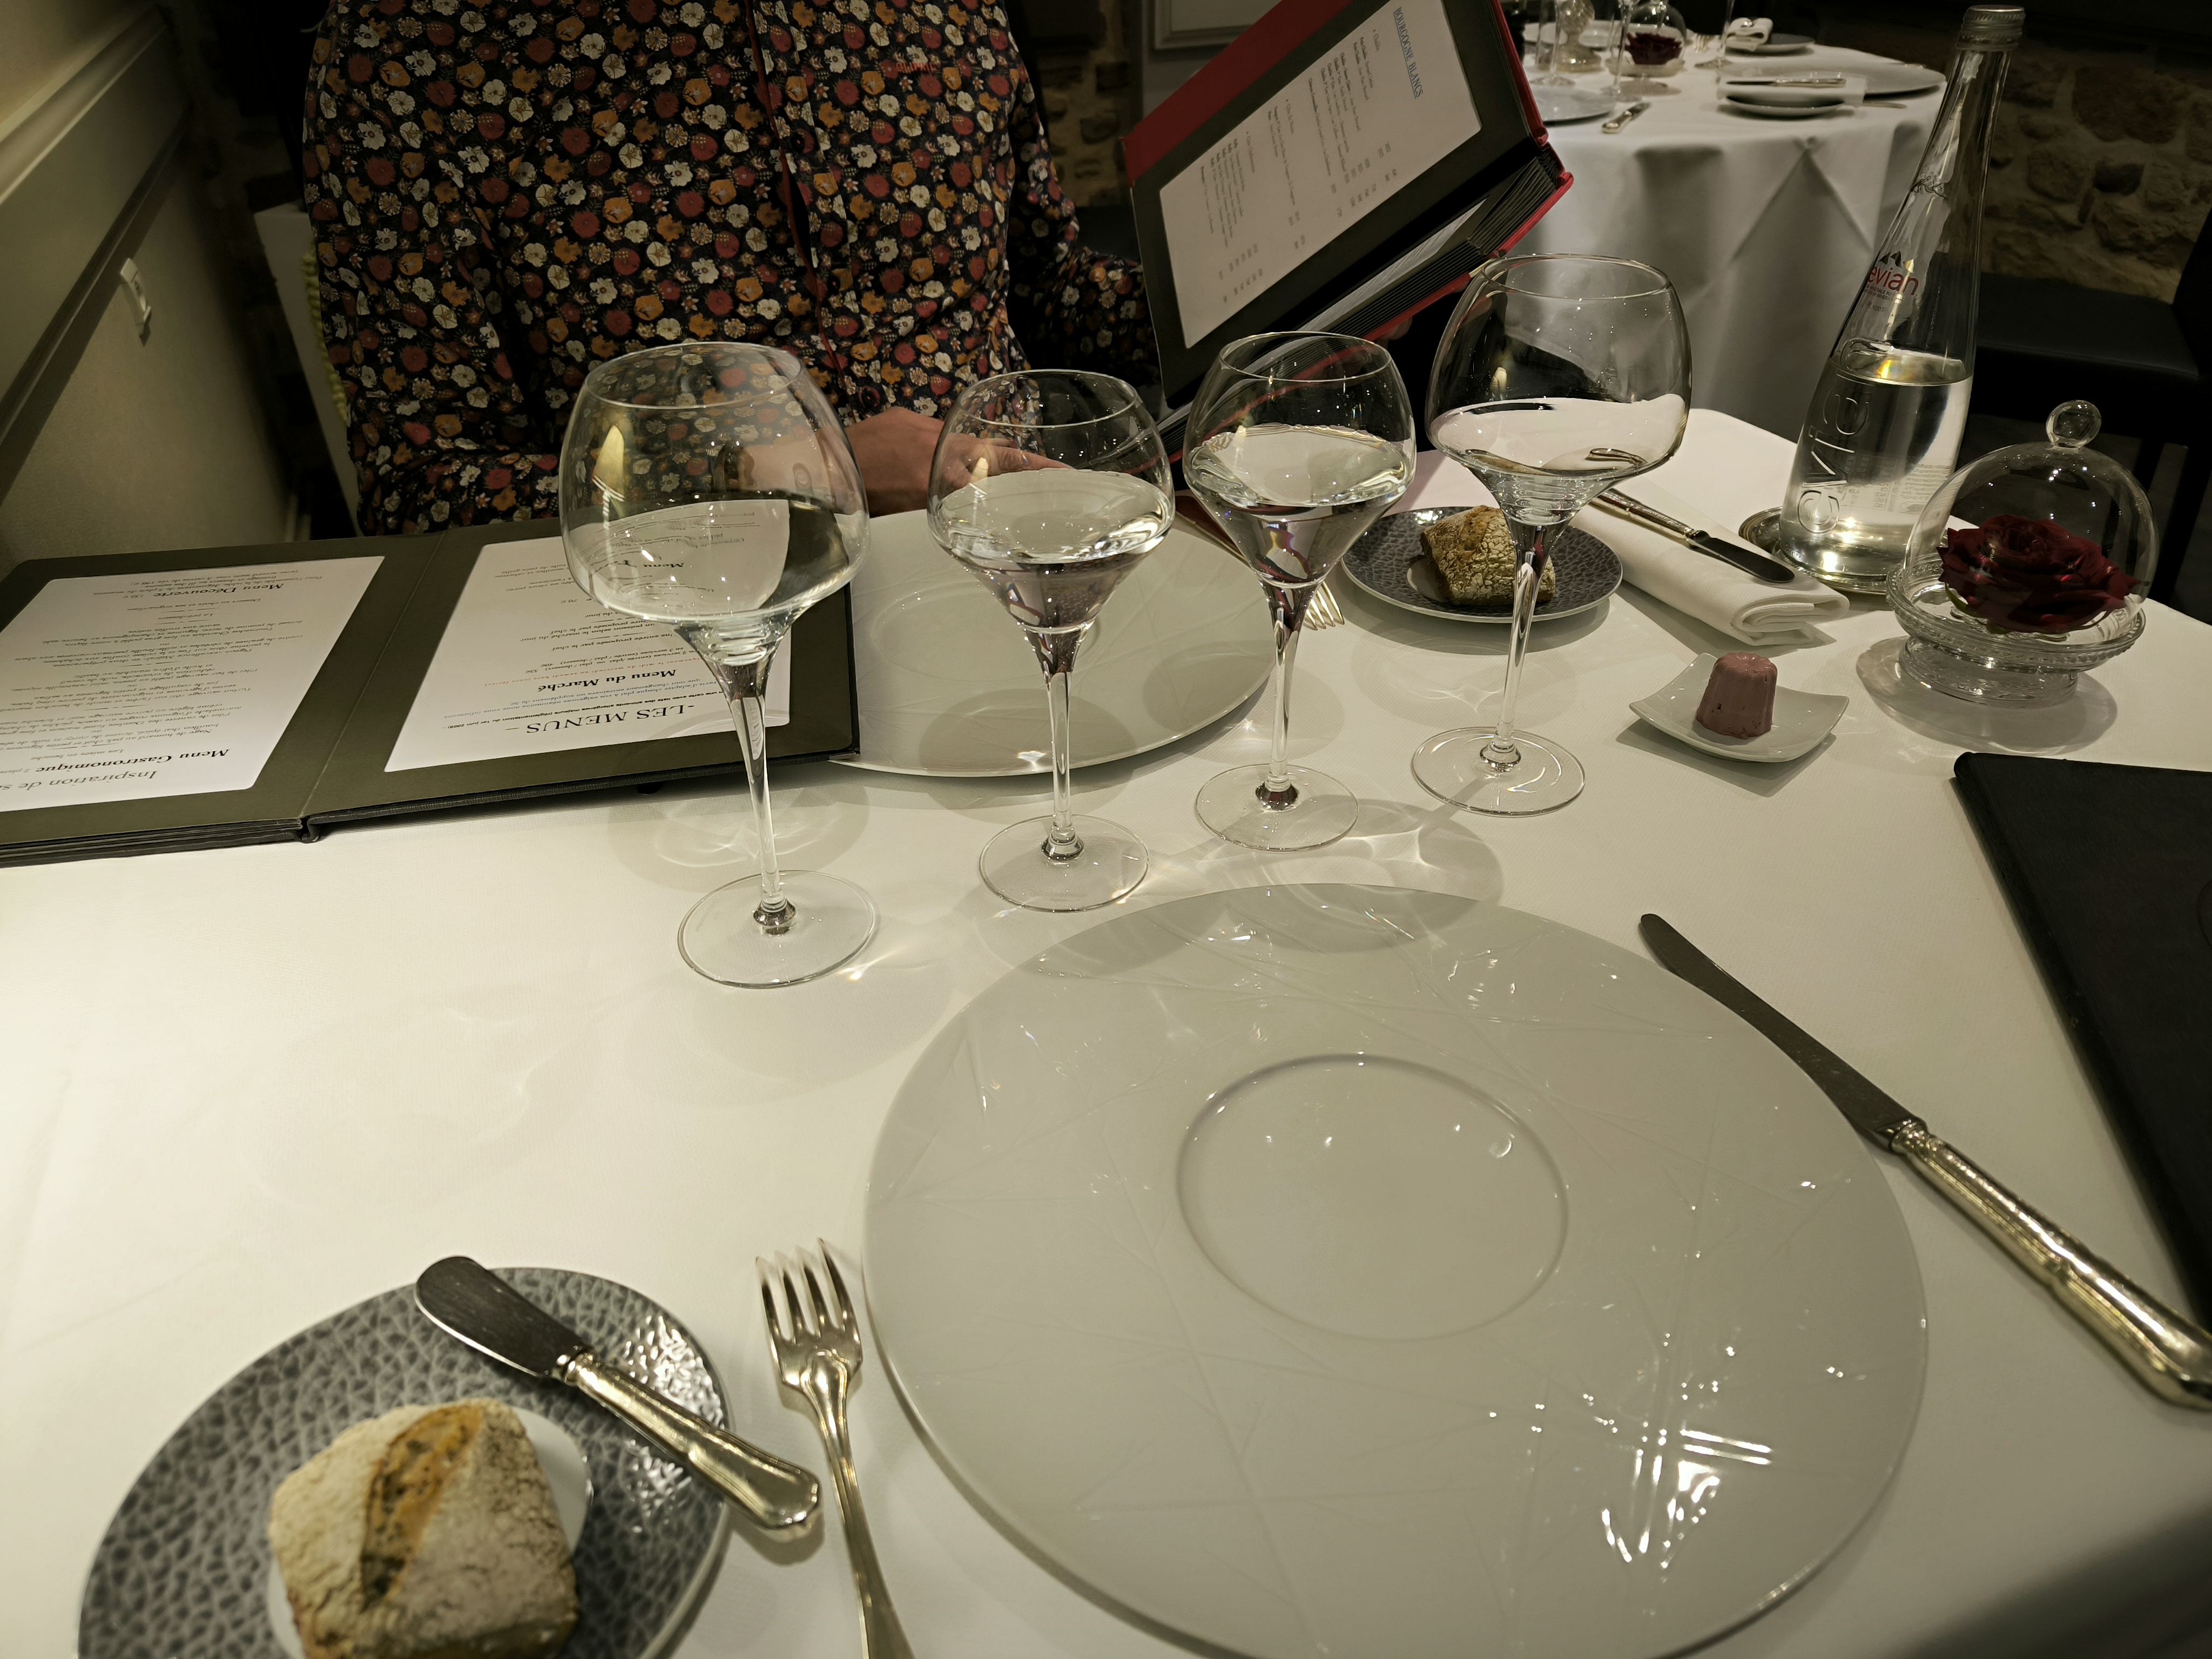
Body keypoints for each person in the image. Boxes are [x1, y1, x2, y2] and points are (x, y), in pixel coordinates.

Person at [302, 0, 1157, 531]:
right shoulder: (407, 54)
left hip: (1027, 552)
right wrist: (786, 472)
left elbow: (1048, 291)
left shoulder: (949, 14)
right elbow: (425, 486)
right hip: (695, 611)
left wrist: (1215, 308)